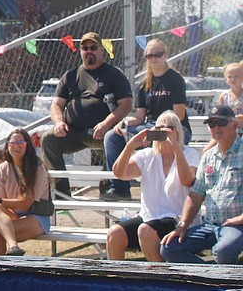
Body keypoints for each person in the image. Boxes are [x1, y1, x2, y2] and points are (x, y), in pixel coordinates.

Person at [40, 31, 133, 197]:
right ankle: (61, 192)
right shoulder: (70, 76)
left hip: (103, 132)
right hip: (74, 132)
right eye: (85, 48)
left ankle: (109, 189)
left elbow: (125, 105)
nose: (89, 51)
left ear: (101, 50)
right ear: (80, 51)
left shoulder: (114, 74)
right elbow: (56, 104)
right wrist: (59, 122)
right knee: (48, 139)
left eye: (93, 47)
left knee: (112, 140)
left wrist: (106, 124)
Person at [102, 39, 190, 200]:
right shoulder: (144, 84)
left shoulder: (175, 79)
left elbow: (179, 115)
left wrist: (156, 130)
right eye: (150, 55)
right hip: (150, 126)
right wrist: (124, 123)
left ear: (166, 55)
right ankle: (119, 187)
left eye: (158, 54)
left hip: (175, 128)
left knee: (146, 133)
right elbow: (140, 117)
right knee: (111, 137)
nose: (154, 58)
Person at [107, 110, 198, 261]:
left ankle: (161, 279)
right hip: (148, 217)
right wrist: (130, 146)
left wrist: (176, 148)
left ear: (178, 131)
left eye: (169, 128)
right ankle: (118, 280)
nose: (163, 131)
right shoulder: (147, 155)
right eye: (159, 128)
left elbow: (187, 181)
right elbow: (119, 173)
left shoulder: (189, 153)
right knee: (114, 233)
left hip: (176, 218)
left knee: (146, 230)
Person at [161, 105, 243, 264]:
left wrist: (240, 219)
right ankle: (210, 280)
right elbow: (195, 195)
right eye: (212, 124)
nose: (216, 127)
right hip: (211, 224)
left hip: (238, 225)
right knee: (169, 247)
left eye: (221, 123)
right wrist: (183, 224)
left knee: (223, 251)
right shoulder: (208, 156)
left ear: (234, 124)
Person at [0, 128, 51, 256]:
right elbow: (0, 204)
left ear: (27, 146)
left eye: (21, 144)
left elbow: (26, 204)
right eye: (12, 144)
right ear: (7, 146)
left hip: (36, 217)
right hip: (13, 215)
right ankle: (12, 248)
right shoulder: (2, 168)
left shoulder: (38, 167)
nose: (16, 147)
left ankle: (0, 268)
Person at [214, 62, 243, 136]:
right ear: (225, 79)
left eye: (236, 76)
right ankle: (206, 148)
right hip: (229, 129)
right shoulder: (224, 96)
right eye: (230, 77)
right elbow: (220, 114)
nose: (233, 79)